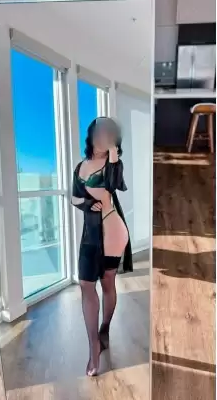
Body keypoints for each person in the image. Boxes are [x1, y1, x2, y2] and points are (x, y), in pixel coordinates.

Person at [71, 117, 133, 377]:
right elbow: (75, 198)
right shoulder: (80, 166)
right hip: (91, 234)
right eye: (99, 133)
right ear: (91, 136)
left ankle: (104, 328)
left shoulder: (112, 164)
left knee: (107, 283)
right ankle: (94, 345)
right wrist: (87, 204)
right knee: (86, 284)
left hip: (113, 230)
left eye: (108, 134)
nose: (102, 137)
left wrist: (114, 154)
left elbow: (115, 184)